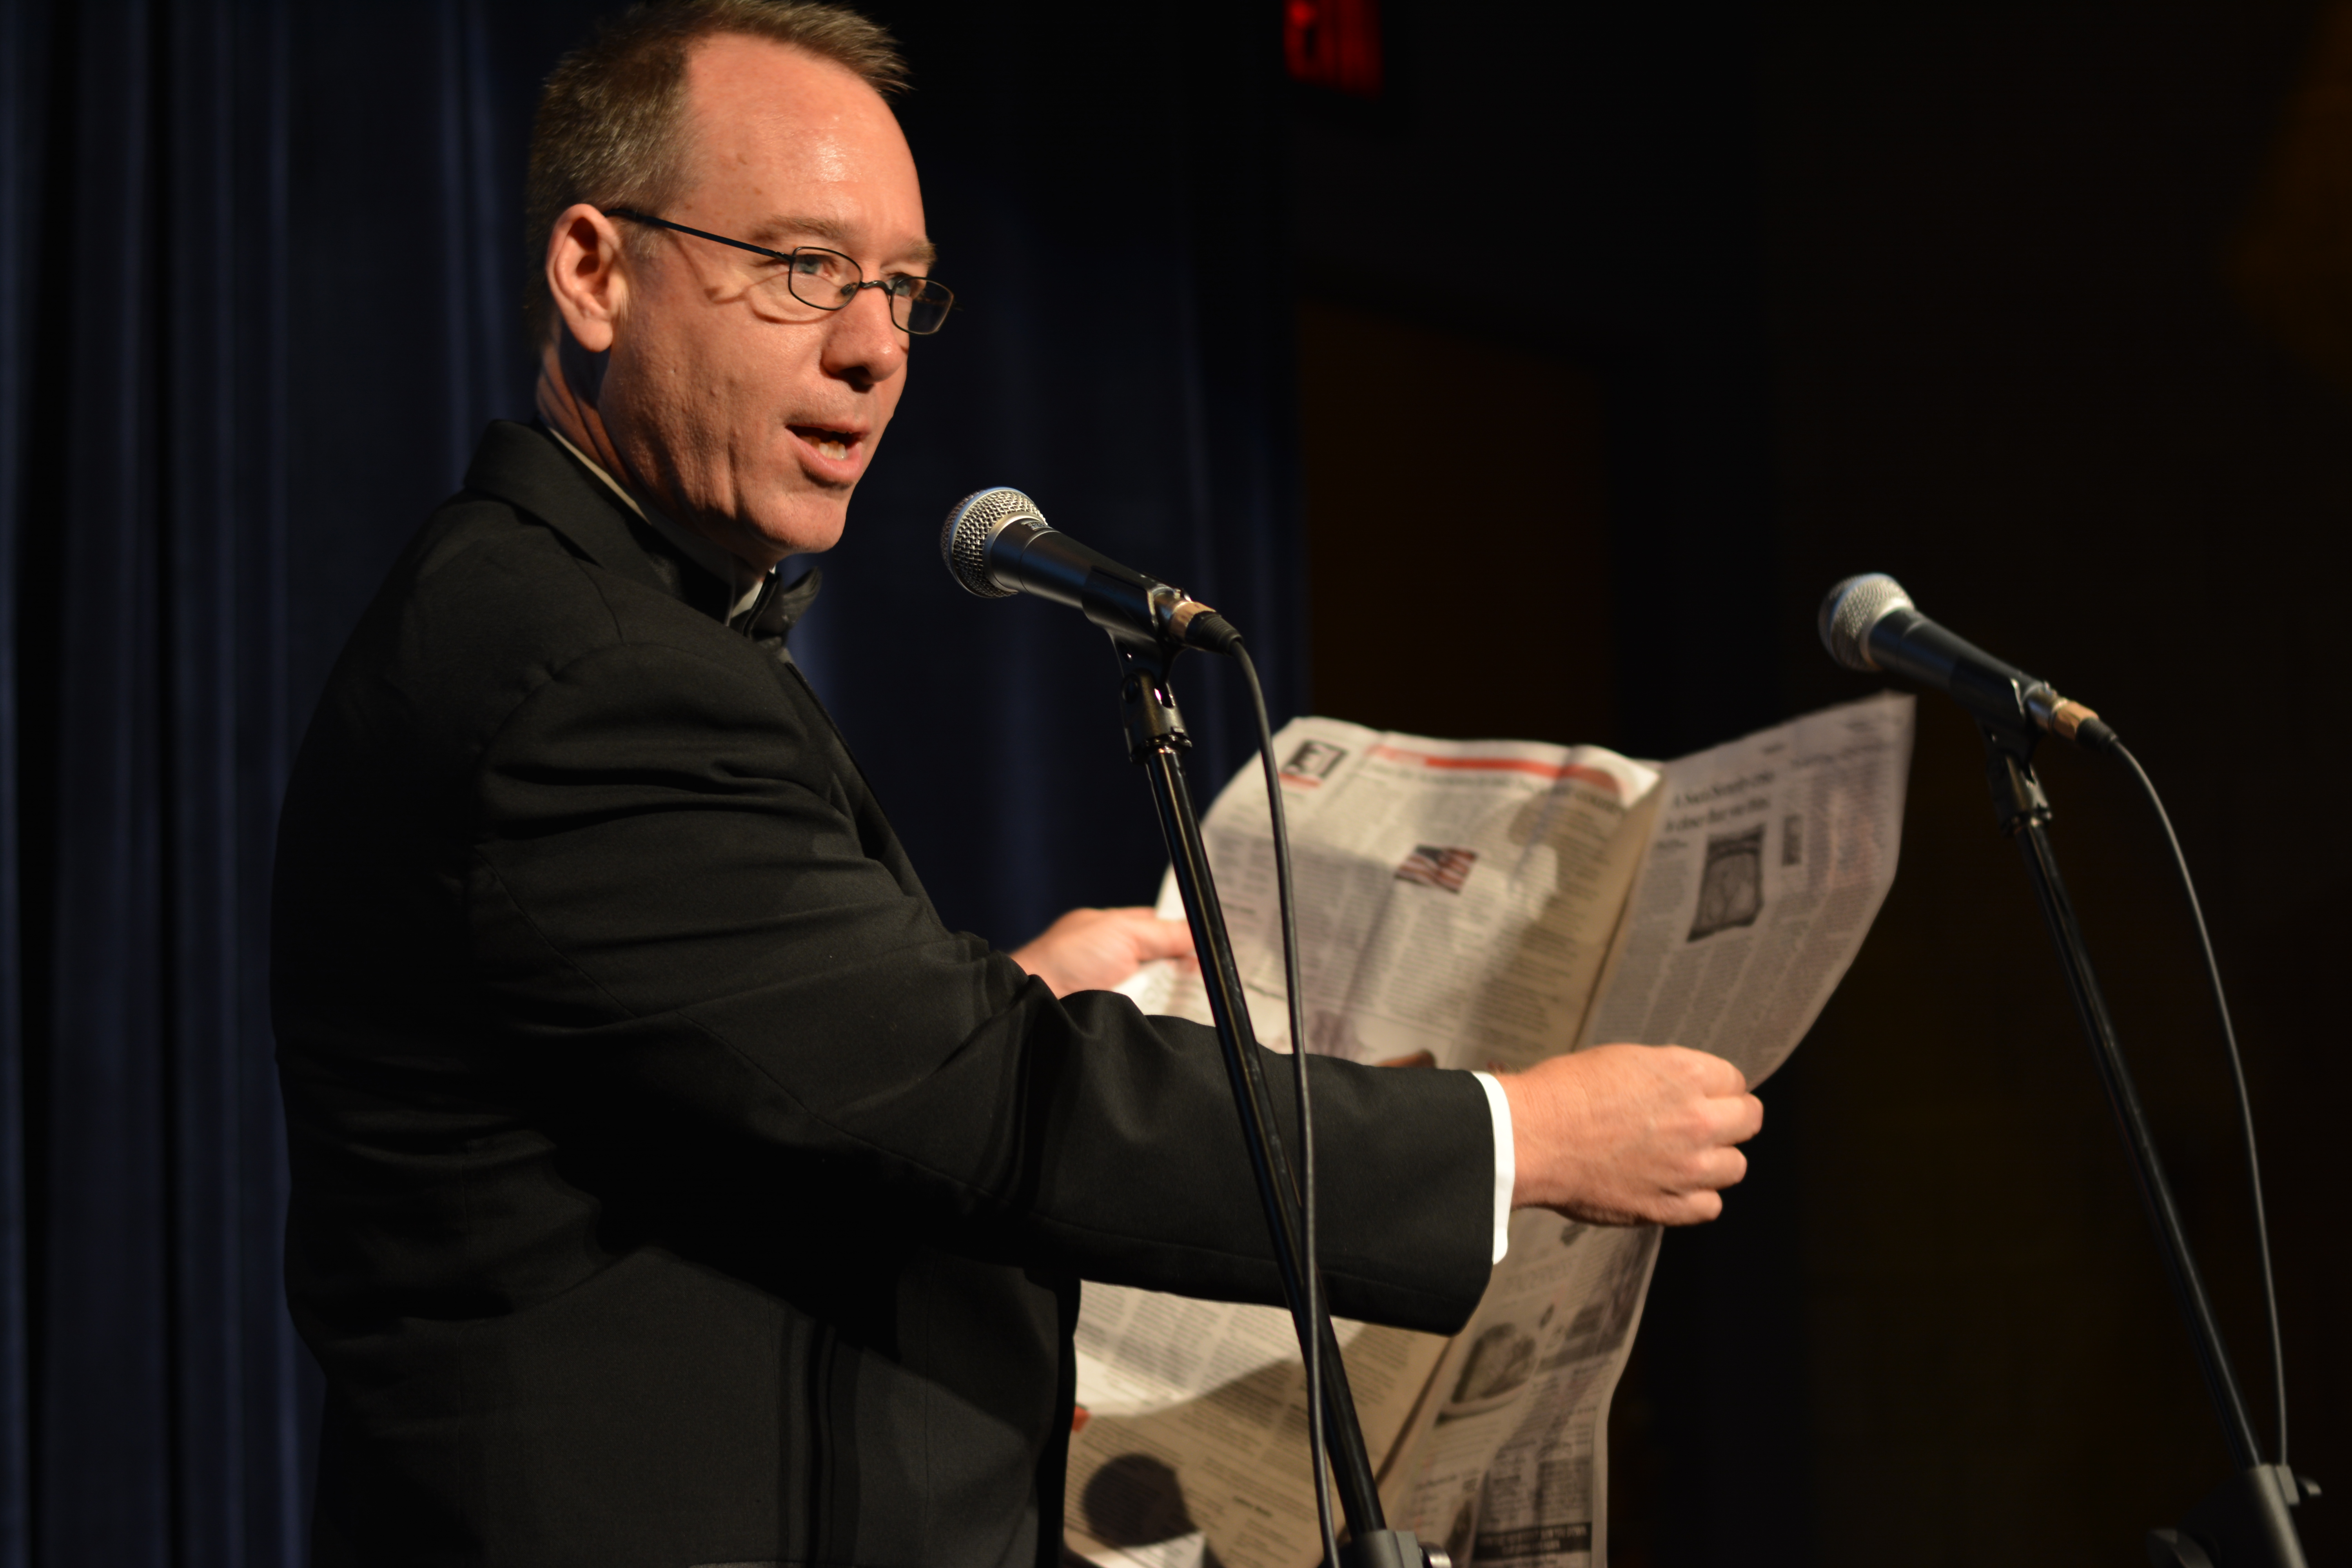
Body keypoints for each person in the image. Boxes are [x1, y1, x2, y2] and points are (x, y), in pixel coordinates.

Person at [270, 4, 1764, 1565]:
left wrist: (1007, 995)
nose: (871, 348)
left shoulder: (606, 623)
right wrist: (1518, 1138)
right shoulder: (579, 670)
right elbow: (974, 1100)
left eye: (901, 289)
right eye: (803, 267)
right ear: (596, 271)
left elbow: (754, 1074)